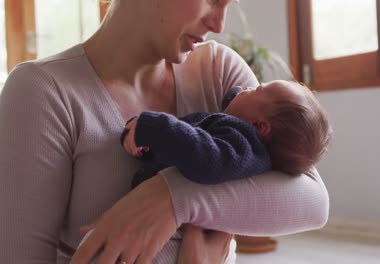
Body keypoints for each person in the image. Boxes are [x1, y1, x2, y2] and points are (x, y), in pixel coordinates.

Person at [0, 0, 330, 263]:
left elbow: (313, 202)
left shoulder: (219, 71)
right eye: (213, 0)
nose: (218, 25)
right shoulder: (41, 91)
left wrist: (170, 197)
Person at [121, 81, 331, 188]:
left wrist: (156, 128)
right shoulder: (245, 141)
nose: (247, 87)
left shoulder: (242, 146)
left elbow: (204, 156)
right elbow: (233, 110)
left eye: (256, 90)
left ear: (260, 126)